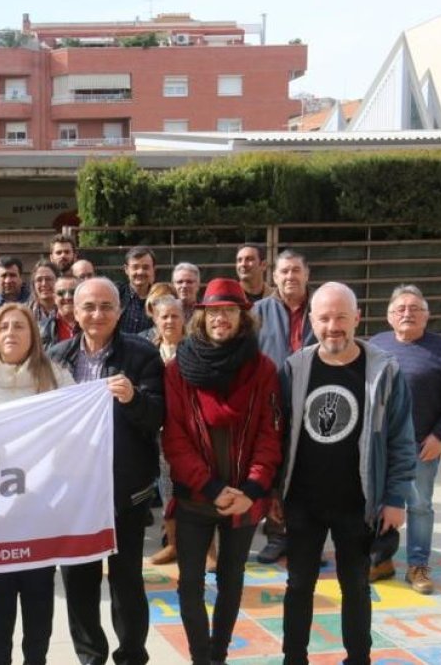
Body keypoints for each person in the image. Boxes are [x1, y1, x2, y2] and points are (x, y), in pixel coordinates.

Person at [277, 282, 415, 665]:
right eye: (324, 317)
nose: (333, 325)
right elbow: (279, 434)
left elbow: (402, 440)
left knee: (355, 587)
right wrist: (274, 493)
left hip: (359, 502)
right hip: (303, 501)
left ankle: (358, 658)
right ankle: (294, 658)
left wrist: (395, 498)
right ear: (311, 321)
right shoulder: (294, 368)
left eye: (341, 317)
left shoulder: (384, 371)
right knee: (299, 585)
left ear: (357, 318)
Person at [162, 279, 282, 665]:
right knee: (190, 585)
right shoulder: (178, 369)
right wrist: (212, 487)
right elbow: (175, 440)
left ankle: (219, 655)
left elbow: (269, 434)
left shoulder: (262, 369)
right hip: (196, 497)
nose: (221, 318)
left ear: (243, 318)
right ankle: (201, 657)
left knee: (231, 582)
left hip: (244, 500)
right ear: (201, 316)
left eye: (229, 311)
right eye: (213, 311)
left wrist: (251, 487)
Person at [47, 277, 165, 665]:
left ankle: (132, 655)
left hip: (124, 491)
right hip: (73, 493)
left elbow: (157, 418)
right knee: (77, 582)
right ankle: (90, 657)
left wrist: (132, 398)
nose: (97, 315)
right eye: (89, 307)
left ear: (119, 311)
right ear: (74, 312)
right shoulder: (56, 357)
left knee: (127, 582)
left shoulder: (142, 355)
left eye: (106, 307)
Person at [0, 303, 74, 665]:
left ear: (34, 335)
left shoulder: (56, 378)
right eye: (4, 327)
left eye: (20, 327)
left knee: (38, 597)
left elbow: (77, 435)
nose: (11, 333)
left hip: (41, 510)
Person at [367, 284, 441, 592]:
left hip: (421, 446)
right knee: (376, 504)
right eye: (400, 309)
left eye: (414, 309)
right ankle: (381, 560)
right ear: (389, 317)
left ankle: (418, 566)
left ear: (426, 317)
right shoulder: (376, 345)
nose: (407, 314)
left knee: (420, 506)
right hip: (379, 445)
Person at [251, 249, 315, 564]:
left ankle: (305, 539)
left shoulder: (322, 309)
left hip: (315, 408)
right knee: (274, 473)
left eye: (296, 270)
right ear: (274, 276)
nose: (290, 276)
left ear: (307, 274)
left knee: (309, 473)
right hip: (272, 406)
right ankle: (276, 536)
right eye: (284, 271)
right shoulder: (258, 312)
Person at [144, 292, 187, 566]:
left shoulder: (196, 348)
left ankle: (209, 550)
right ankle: (173, 544)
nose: (169, 321)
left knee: (198, 492)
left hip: (191, 433)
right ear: (155, 321)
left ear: (184, 319)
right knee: (168, 490)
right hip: (160, 432)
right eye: (164, 316)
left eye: (175, 316)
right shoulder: (147, 351)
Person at [117, 246, 157, 335]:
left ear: (153, 270)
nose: (140, 272)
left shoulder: (160, 297)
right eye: (135, 267)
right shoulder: (115, 295)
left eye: (146, 267)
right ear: (126, 269)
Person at [40, 275, 79, 349]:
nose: (67, 297)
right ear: (54, 298)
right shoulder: (40, 329)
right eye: (61, 293)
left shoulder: (92, 326)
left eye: (73, 292)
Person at [27, 260, 59, 325]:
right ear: (33, 285)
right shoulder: (25, 312)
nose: (44, 284)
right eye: (39, 280)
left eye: (48, 279)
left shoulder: (67, 310)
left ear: (58, 281)